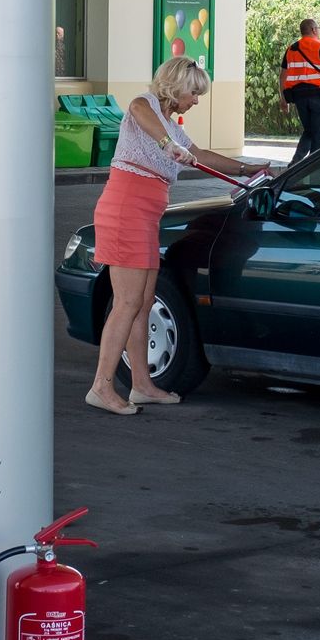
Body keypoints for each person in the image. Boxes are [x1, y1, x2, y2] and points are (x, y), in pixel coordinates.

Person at [86, 56, 254, 415]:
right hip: (125, 210)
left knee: (144, 302)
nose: (196, 100)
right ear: (175, 85)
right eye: (194, 93)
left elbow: (202, 154)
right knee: (128, 302)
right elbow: (136, 109)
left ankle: (142, 385)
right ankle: (101, 386)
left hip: (146, 216)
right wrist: (166, 144)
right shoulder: (146, 106)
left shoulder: (173, 128)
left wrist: (248, 168)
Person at [279, 18, 320, 164]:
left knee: (310, 131)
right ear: (313, 30)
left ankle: (295, 164)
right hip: (319, 96)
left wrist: (283, 100)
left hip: (299, 98)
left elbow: (282, 76)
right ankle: (315, 172)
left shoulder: (291, 49)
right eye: (318, 28)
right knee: (318, 138)